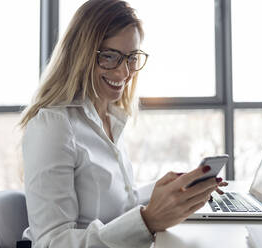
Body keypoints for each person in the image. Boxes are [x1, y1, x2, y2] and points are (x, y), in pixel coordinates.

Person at [19, 0, 228, 247]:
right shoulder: (53, 126)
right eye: (109, 56)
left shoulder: (109, 117)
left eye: (131, 58)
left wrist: (171, 190)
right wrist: (148, 221)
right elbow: (52, 242)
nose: (124, 73)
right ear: (80, 54)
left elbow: (114, 210)